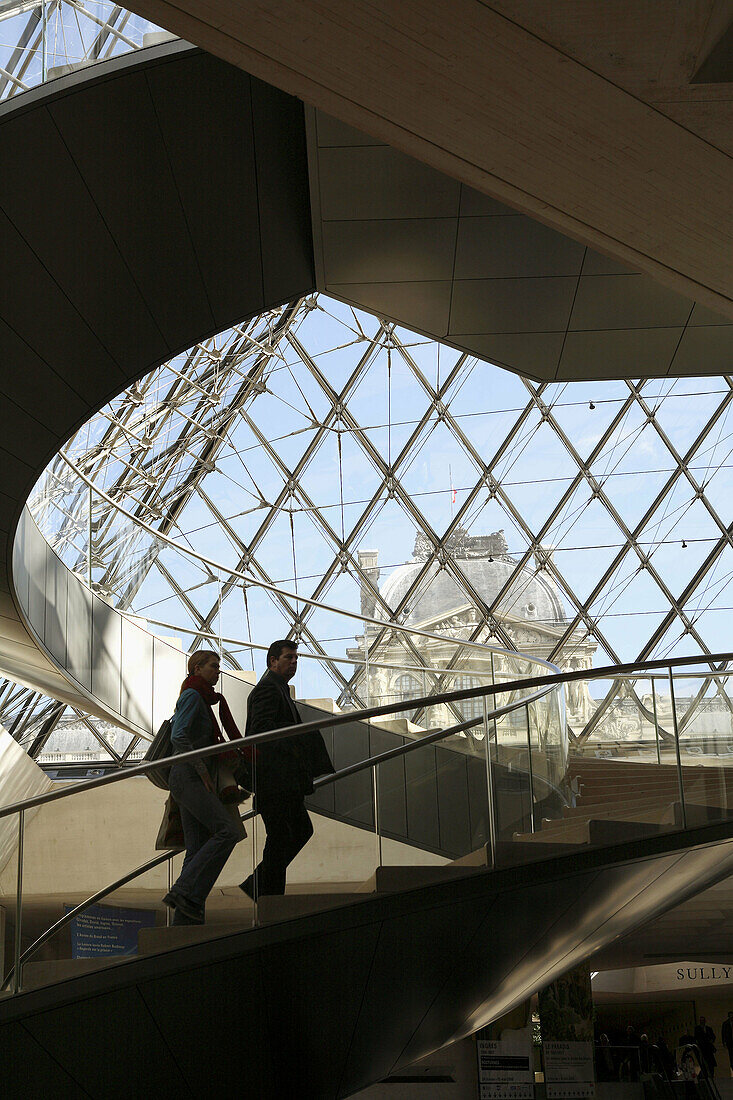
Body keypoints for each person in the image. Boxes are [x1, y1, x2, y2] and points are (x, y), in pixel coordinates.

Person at [238, 639, 334, 899]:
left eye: (296, 658)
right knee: (285, 835)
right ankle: (266, 894)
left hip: (280, 780)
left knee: (289, 834)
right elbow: (260, 730)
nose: (294, 662)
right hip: (275, 780)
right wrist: (297, 737)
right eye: (288, 657)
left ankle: (260, 888)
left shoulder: (277, 689)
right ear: (273, 661)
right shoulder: (268, 689)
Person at [162, 650, 244, 924]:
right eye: (214, 666)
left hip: (188, 779)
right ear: (197, 668)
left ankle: (185, 923)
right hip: (190, 778)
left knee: (196, 850)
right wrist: (202, 772)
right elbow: (179, 736)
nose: (218, 671)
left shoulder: (199, 697)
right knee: (228, 831)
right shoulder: (193, 696)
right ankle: (184, 892)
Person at [722, 1011, 733, 1077]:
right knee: (731, 1054)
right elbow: (723, 1033)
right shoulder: (725, 1024)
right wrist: (724, 1042)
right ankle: (732, 1065)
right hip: (730, 1042)